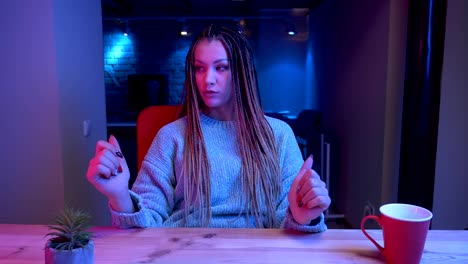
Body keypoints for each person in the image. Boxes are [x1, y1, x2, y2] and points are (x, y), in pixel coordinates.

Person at [87, 24, 331, 232]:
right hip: (182, 250)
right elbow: (147, 224)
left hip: (257, 252)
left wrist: (302, 216)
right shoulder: (171, 136)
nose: (208, 79)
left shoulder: (278, 134)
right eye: (199, 68)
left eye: (221, 67)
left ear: (241, 72)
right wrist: (119, 195)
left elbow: (285, 223)